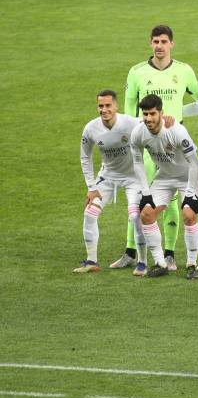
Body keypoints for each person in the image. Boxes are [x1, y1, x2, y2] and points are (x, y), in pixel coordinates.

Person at [113, 24, 198, 272]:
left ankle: (169, 254)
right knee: (142, 198)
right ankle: (132, 251)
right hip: (147, 143)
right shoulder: (137, 72)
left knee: (173, 202)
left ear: (172, 43)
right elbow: (130, 109)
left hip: (173, 142)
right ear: (150, 44)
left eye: (163, 41)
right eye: (155, 42)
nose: (159, 46)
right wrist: (133, 134)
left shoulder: (184, 71)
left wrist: (178, 116)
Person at [74, 90, 147, 276]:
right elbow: (85, 157)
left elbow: (153, 126)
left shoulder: (131, 123)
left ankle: (142, 262)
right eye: (100, 106)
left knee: (134, 216)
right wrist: (91, 187)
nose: (104, 109)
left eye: (108, 105)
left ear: (116, 106)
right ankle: (91, 261)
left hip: (133, 177)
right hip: (108, 176)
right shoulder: (91, 128)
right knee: (90, 212)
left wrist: (168, 121)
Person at [131, 94, 198, 279]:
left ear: (161, 113)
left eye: (152, 114)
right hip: (164, 177)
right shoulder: (138, 133)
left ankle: (191, 264)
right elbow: (137, 162)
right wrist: (145, 193)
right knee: (146, 213)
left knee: (188, 214)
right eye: (145, 114)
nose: (148, 118)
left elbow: (194, 163)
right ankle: (160, 263)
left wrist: (190, 192)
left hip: (189, 176)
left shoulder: (176, 131)